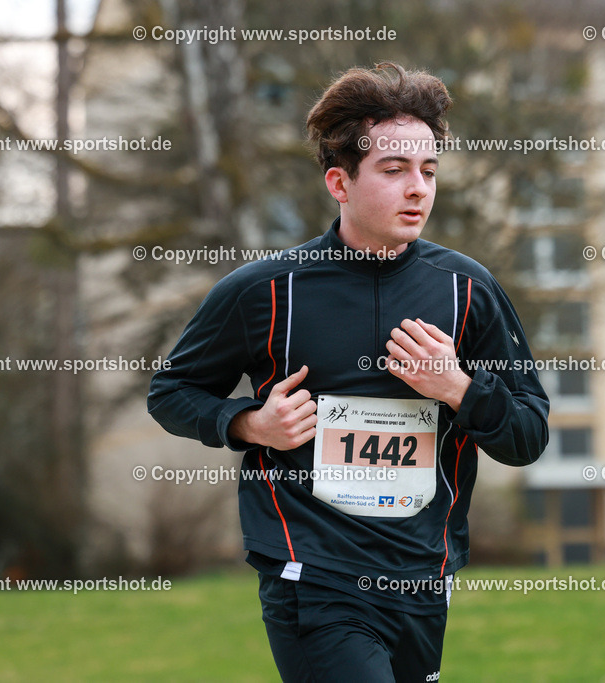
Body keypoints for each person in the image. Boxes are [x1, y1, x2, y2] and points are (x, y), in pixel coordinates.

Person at [148, 61, 549, 682]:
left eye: (428, 170)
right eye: (394, 170)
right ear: (340, 181)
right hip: (314, 574)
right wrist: (250, 424)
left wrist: (458, 388)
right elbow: (171, 391)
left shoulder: (468, 289)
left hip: (422, 577)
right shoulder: (264, 291)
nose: (418, 188)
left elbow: (528, 435)